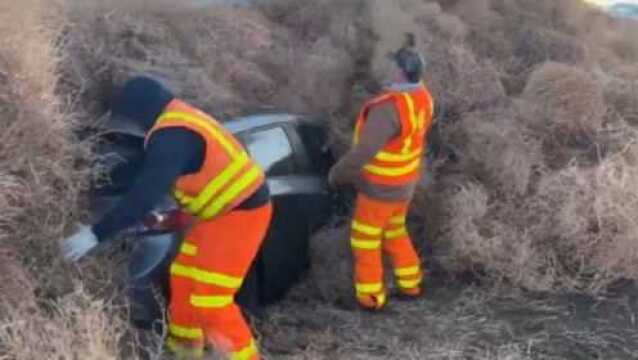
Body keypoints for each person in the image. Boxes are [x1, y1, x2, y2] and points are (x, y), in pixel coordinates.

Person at [61, 76, 271, 360]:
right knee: (183, 277)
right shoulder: (177, 119)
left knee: (211, 299)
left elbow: (144, 194)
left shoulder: (172, 136)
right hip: (213, 214)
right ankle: (184, 353)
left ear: (138, 112)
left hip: (240, 215)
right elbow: (147, 175)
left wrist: (95, 233)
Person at [328, 34, 435, 311]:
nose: (387, 70)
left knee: (365, 239)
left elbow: (364, 152)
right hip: (405, 185)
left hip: (380, 189)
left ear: (400, 71)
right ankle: (411, 283)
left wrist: (338, 174)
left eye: (392, 66)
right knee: (395, 231)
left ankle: (371, 297)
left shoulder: (388, 109)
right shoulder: (423, 98)